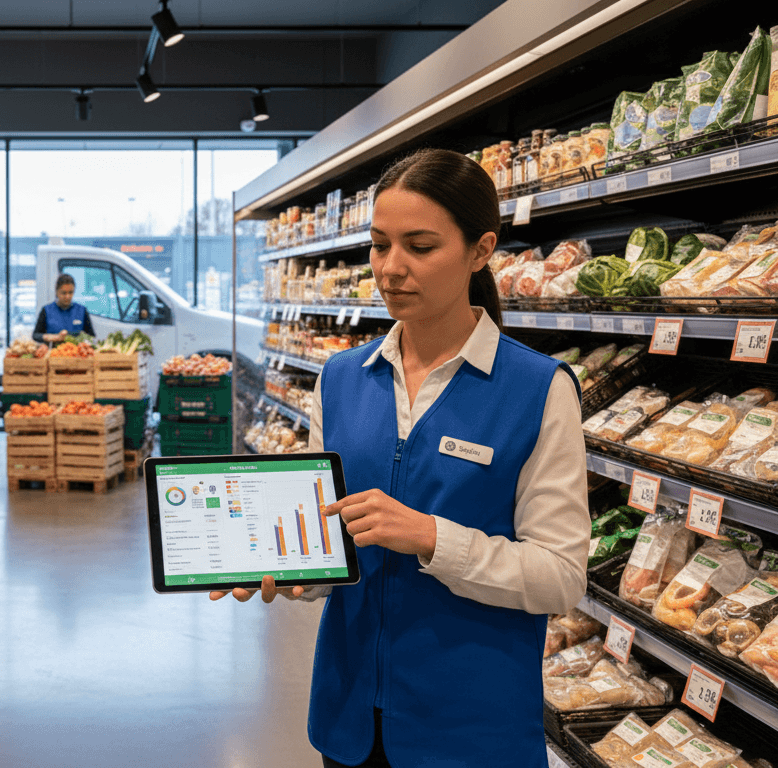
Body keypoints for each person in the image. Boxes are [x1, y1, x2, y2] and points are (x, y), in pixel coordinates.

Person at [211, 149, 590, 768]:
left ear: (480, 250)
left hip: (472, 730)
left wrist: (431, 537)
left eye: (420, 246)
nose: (390, 268)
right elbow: (331, 544)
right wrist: (292, 568)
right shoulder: (340, 379)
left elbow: (560, 577)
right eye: (379, 244)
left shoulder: (538, 390)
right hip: (350, 720)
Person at [33, 273, 96, 344]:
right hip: (53, 350)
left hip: (76, 350)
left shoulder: (82, 310)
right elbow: (35, 335)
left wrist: (72, 335)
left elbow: (91, 336)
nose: (67, 296)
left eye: (70, 292)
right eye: (64, 293)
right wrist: (51, 337)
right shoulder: (46, 310)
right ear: (57, 292)